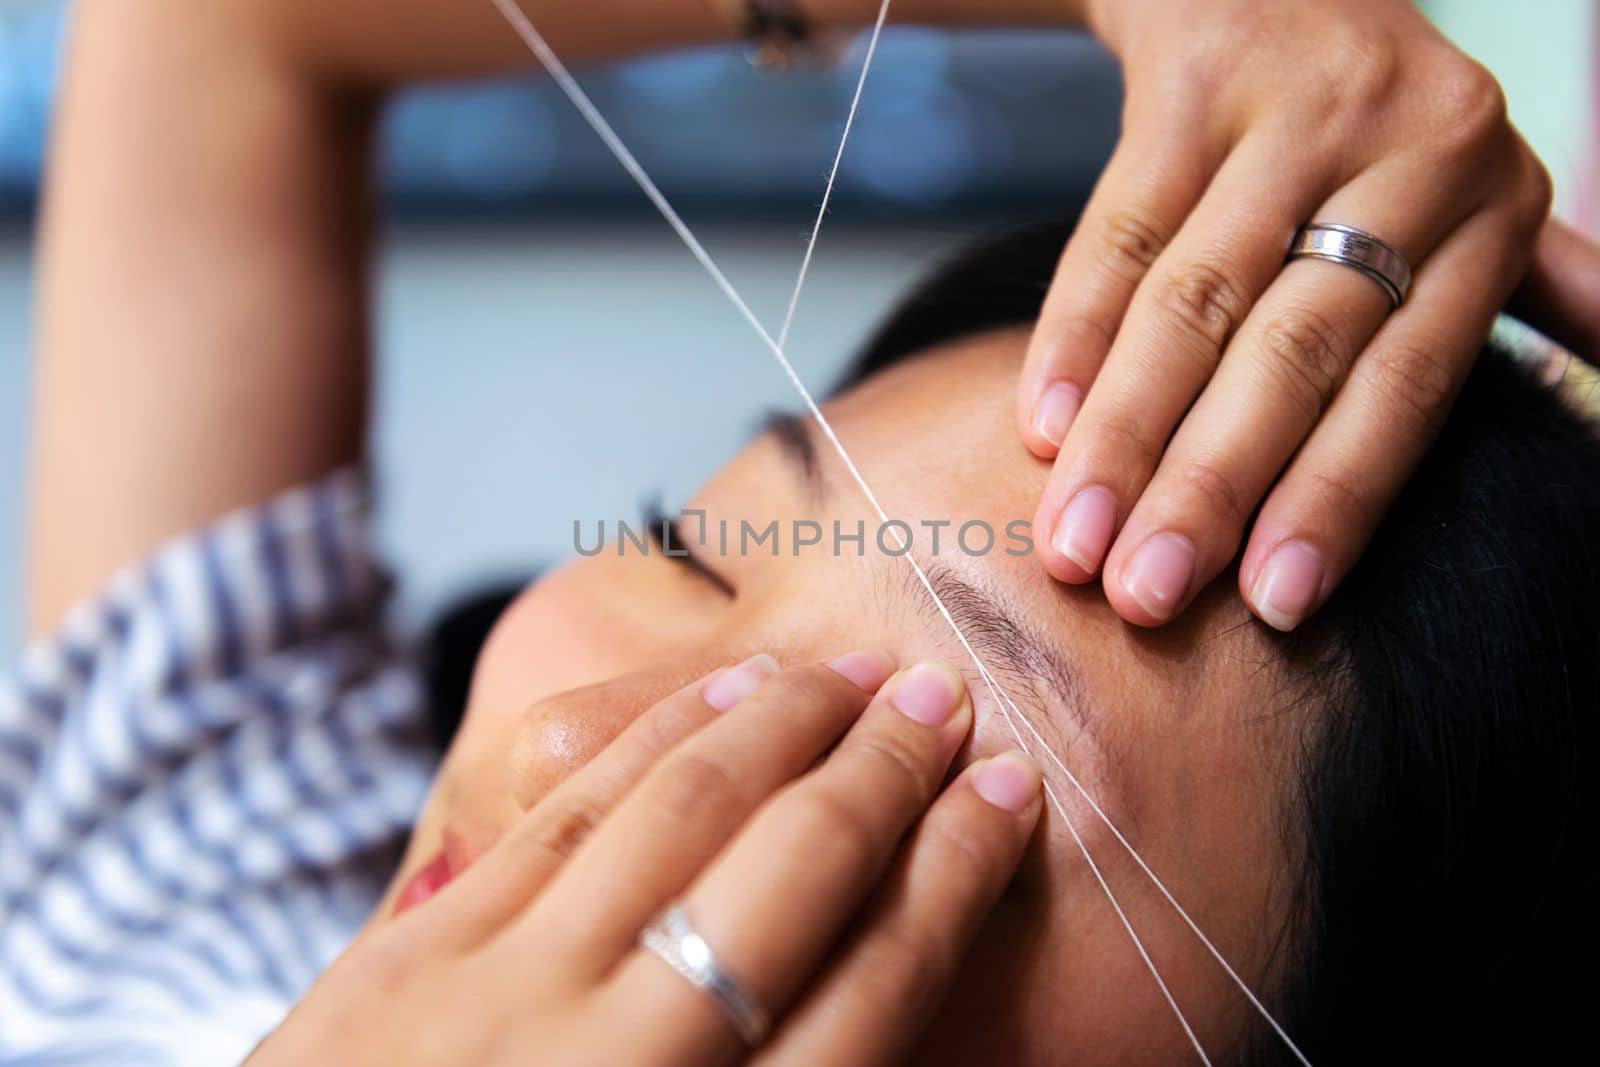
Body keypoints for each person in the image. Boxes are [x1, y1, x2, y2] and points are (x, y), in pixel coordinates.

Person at [2, 0, 1595, 1064]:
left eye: (914, 800)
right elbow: (213, 31)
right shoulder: (193, 896)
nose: (561, 750)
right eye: (689, 551)